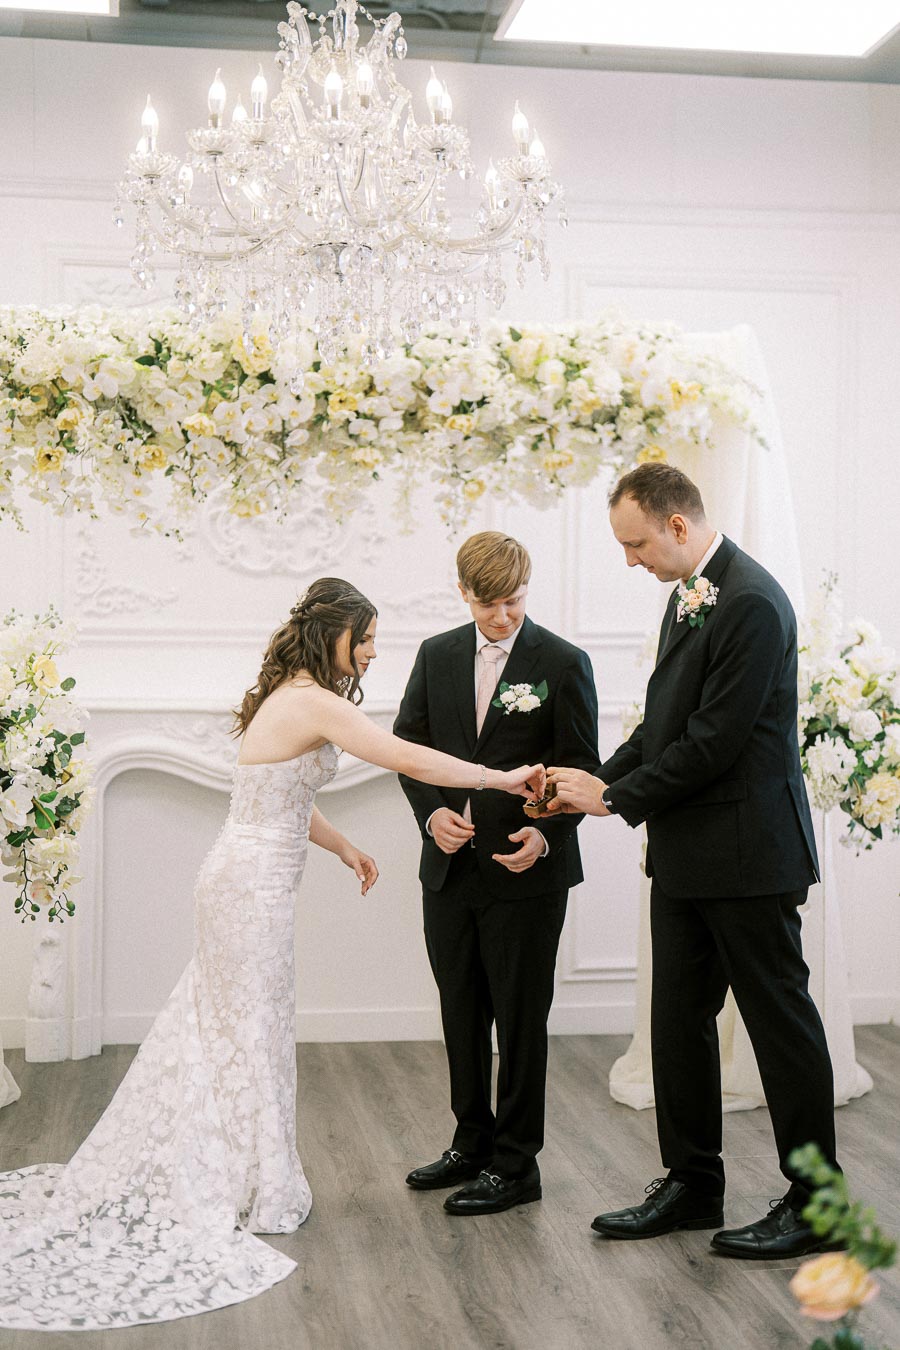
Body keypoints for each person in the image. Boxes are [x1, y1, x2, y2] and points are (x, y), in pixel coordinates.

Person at [0, 577, 543, 1331]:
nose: (376, 652)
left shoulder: (291, 695)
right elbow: (403, 755)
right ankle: (241, 1180)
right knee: (245, 1029)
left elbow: (279, 796)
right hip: (247, 889)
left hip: (246, 878)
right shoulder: (312, 700)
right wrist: (497, 776)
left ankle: (239, 1173)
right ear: (335, 635)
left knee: (235, 1028)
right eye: (369, 638)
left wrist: (344, 844)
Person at [544, 464, 838, 1259]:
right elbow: (666, 722)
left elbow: (715, 744)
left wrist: (614, 801)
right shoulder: (689, 595)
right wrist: (599, 777)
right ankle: (692, 1182)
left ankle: (818, 1200)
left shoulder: (750, 601)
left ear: (678, 526)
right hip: (685, 855)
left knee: (780, 1027)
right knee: (675, 1022)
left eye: (636, 543)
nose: (630, 560)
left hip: (749, 854)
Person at [394, 532, 599, 1216]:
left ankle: (517, 1165)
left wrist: (545, 835)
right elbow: (408, 750)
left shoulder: (564, 663)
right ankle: (470, 1143)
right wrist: (432, 817)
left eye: (514, 601)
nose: (503, 616)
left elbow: (583, 770)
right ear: (463, 592)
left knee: (519, 1021)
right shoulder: (436, 654)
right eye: (489, 603)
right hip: (449, 871)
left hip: (526, 876)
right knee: (460, 1012)